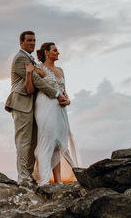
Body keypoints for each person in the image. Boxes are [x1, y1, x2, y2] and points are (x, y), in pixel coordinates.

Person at [5, 31, 68, 185]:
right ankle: (23, 178)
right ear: (21, 42)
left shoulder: (30, 59)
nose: (32, 43)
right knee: (23, 142)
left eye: (34, 40)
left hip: (33, 105)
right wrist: (57, 94)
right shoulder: (21, 58)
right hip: (21, 104)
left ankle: (29, 175)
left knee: (33, 142)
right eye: (29, 40)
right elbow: (37, 81)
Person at [33, 42, 81, 185]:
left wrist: (67, 101)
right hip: (45, 106)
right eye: (55, 50)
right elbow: (38, 86)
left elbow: (65, 91)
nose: (58, 52)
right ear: (46, 52)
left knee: (58, 142)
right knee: (47, 141)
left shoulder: (60, 70)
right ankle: (43, 181)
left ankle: (58, 181)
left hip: (60, 110)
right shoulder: (39, 69)